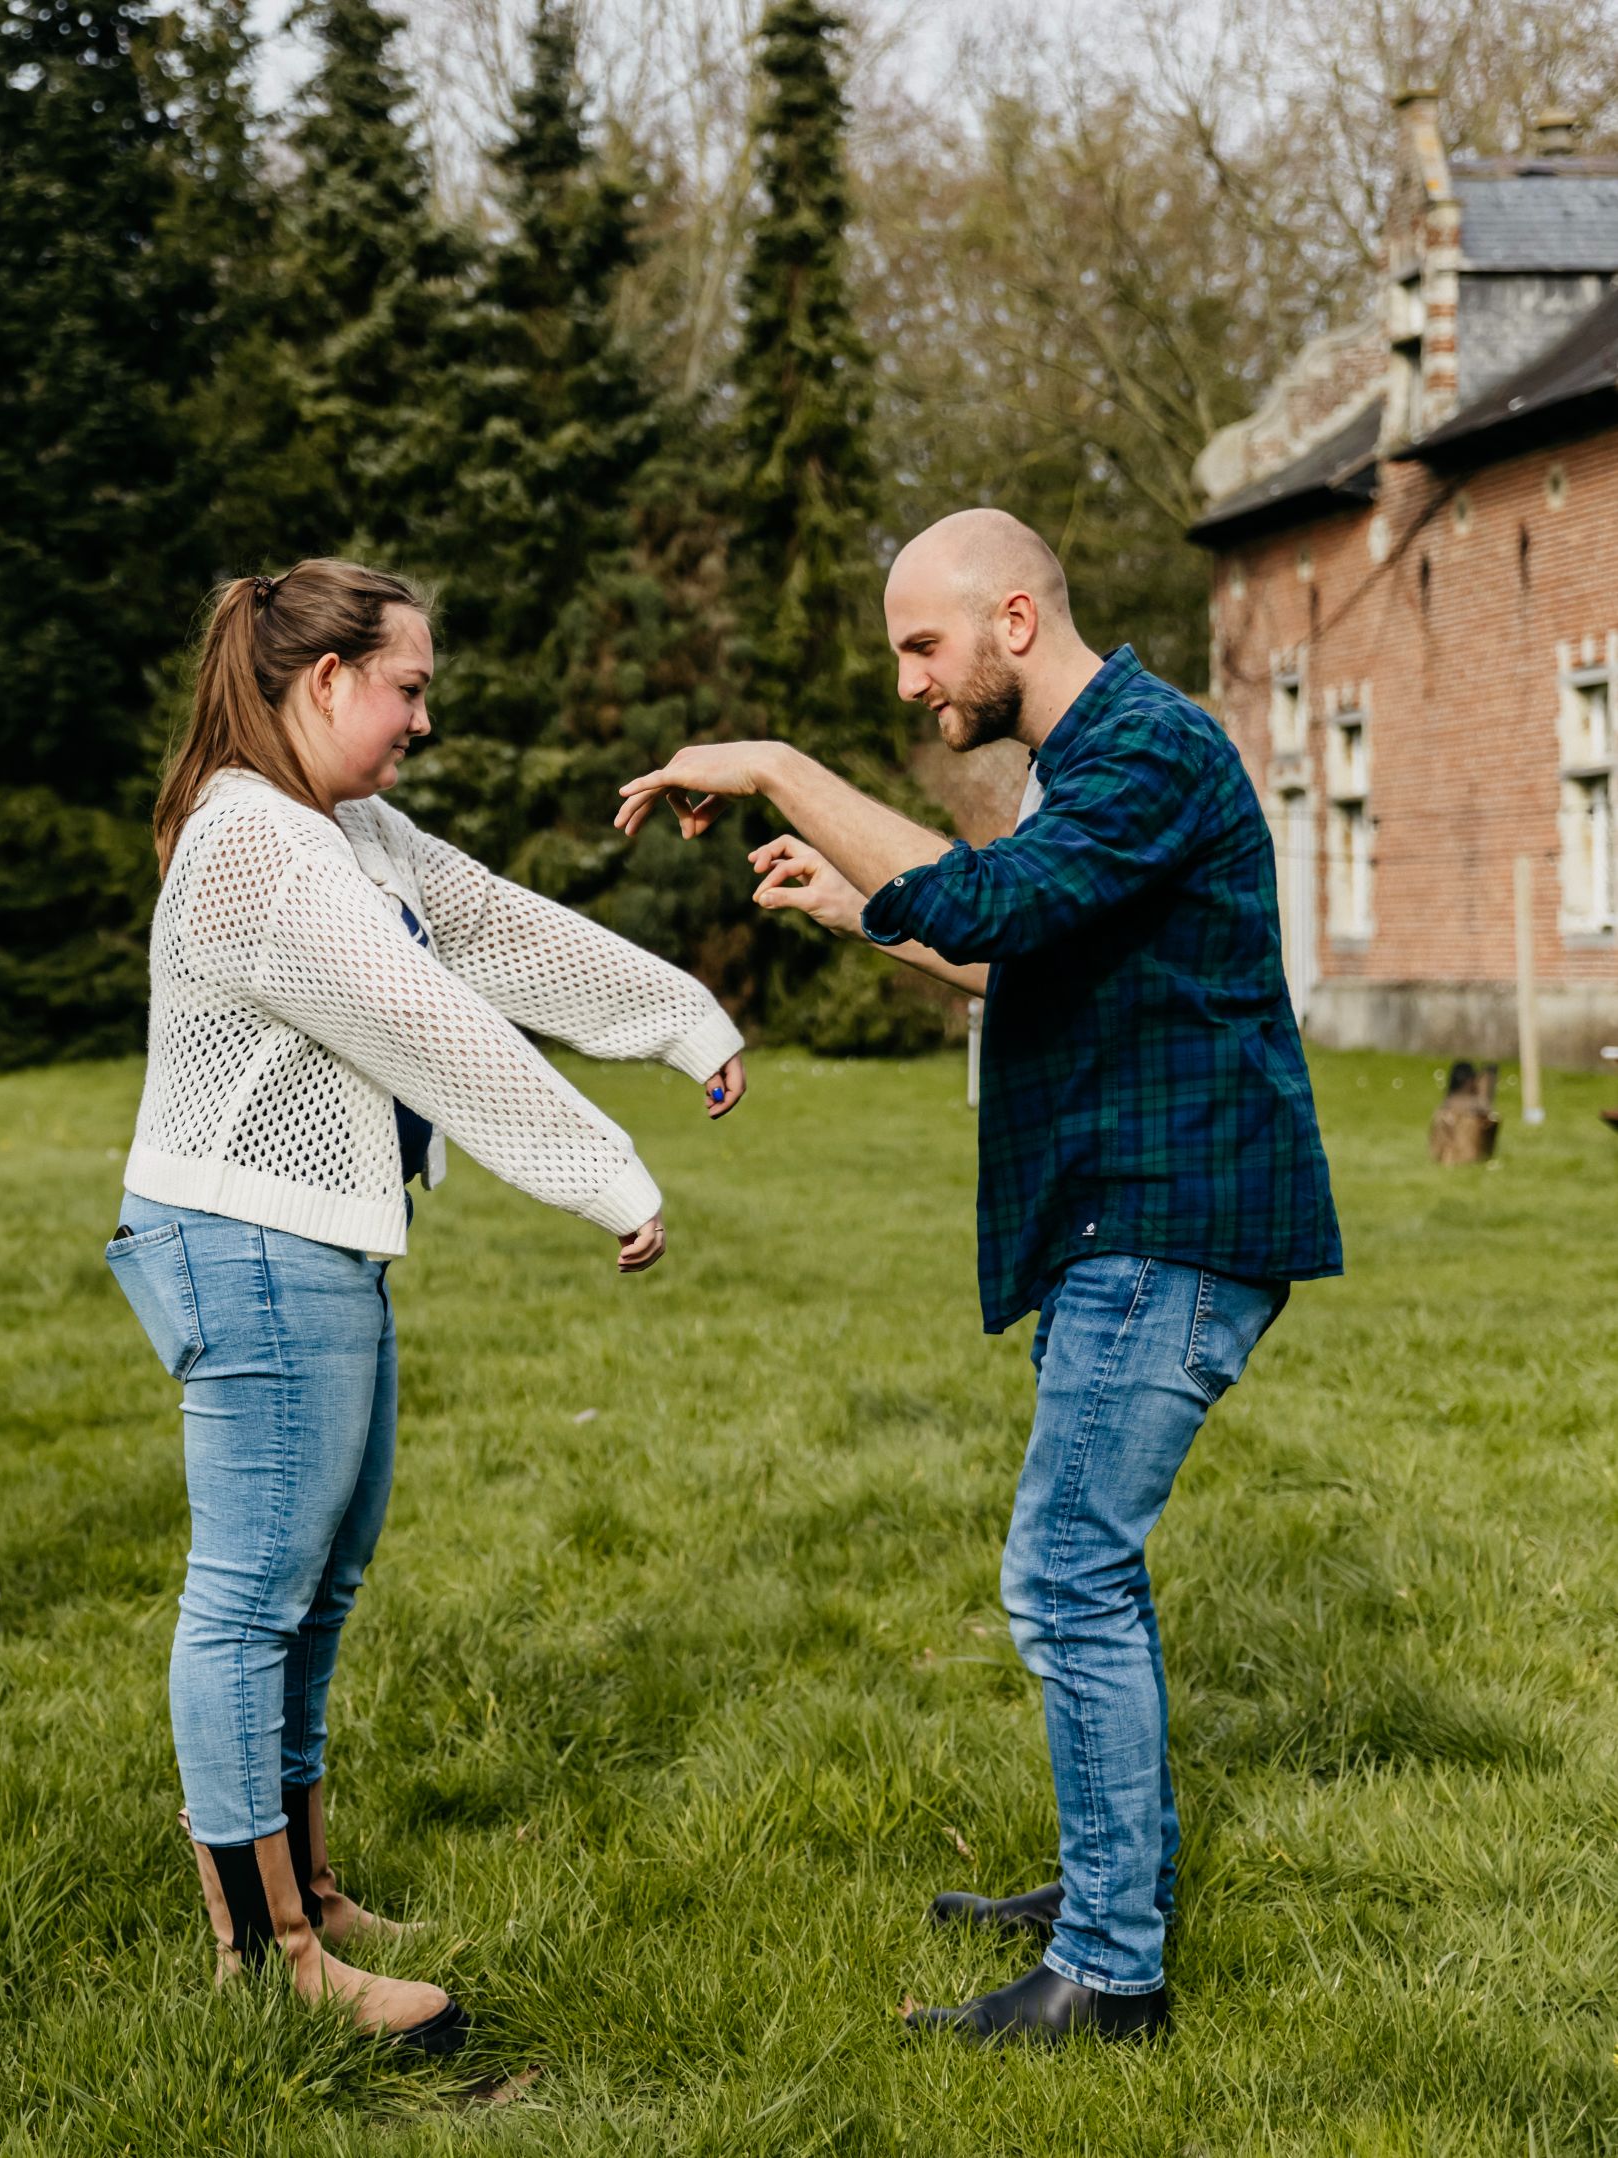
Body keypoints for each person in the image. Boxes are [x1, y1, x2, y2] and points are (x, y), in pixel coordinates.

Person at [616, 507, 1344, 2045]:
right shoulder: (1090, 771)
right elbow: (1019, 955)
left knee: (1066, 1572)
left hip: (1170, 1227)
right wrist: (858, 905)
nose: (907, 683)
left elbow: (996, 905)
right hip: (1120, 1226)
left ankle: (1111, 1971)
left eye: (919, 646)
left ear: (1015, 620)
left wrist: (771, 761)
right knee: (1082, 1571)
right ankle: (1104, 1885)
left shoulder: (1150, 748)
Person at [112, 559, 747, 2053]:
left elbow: (501, 934)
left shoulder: (352, 832)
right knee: (251, 1598)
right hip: (248, 1242)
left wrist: (683, 1019)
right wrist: (604, 1169)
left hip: (317, 1245)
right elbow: (425, 1024)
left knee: (314, 1594)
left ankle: (313, 1893)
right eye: (407, 689)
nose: (418, 721)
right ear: (323, 680)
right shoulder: (254, 843)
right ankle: (261, 1953)